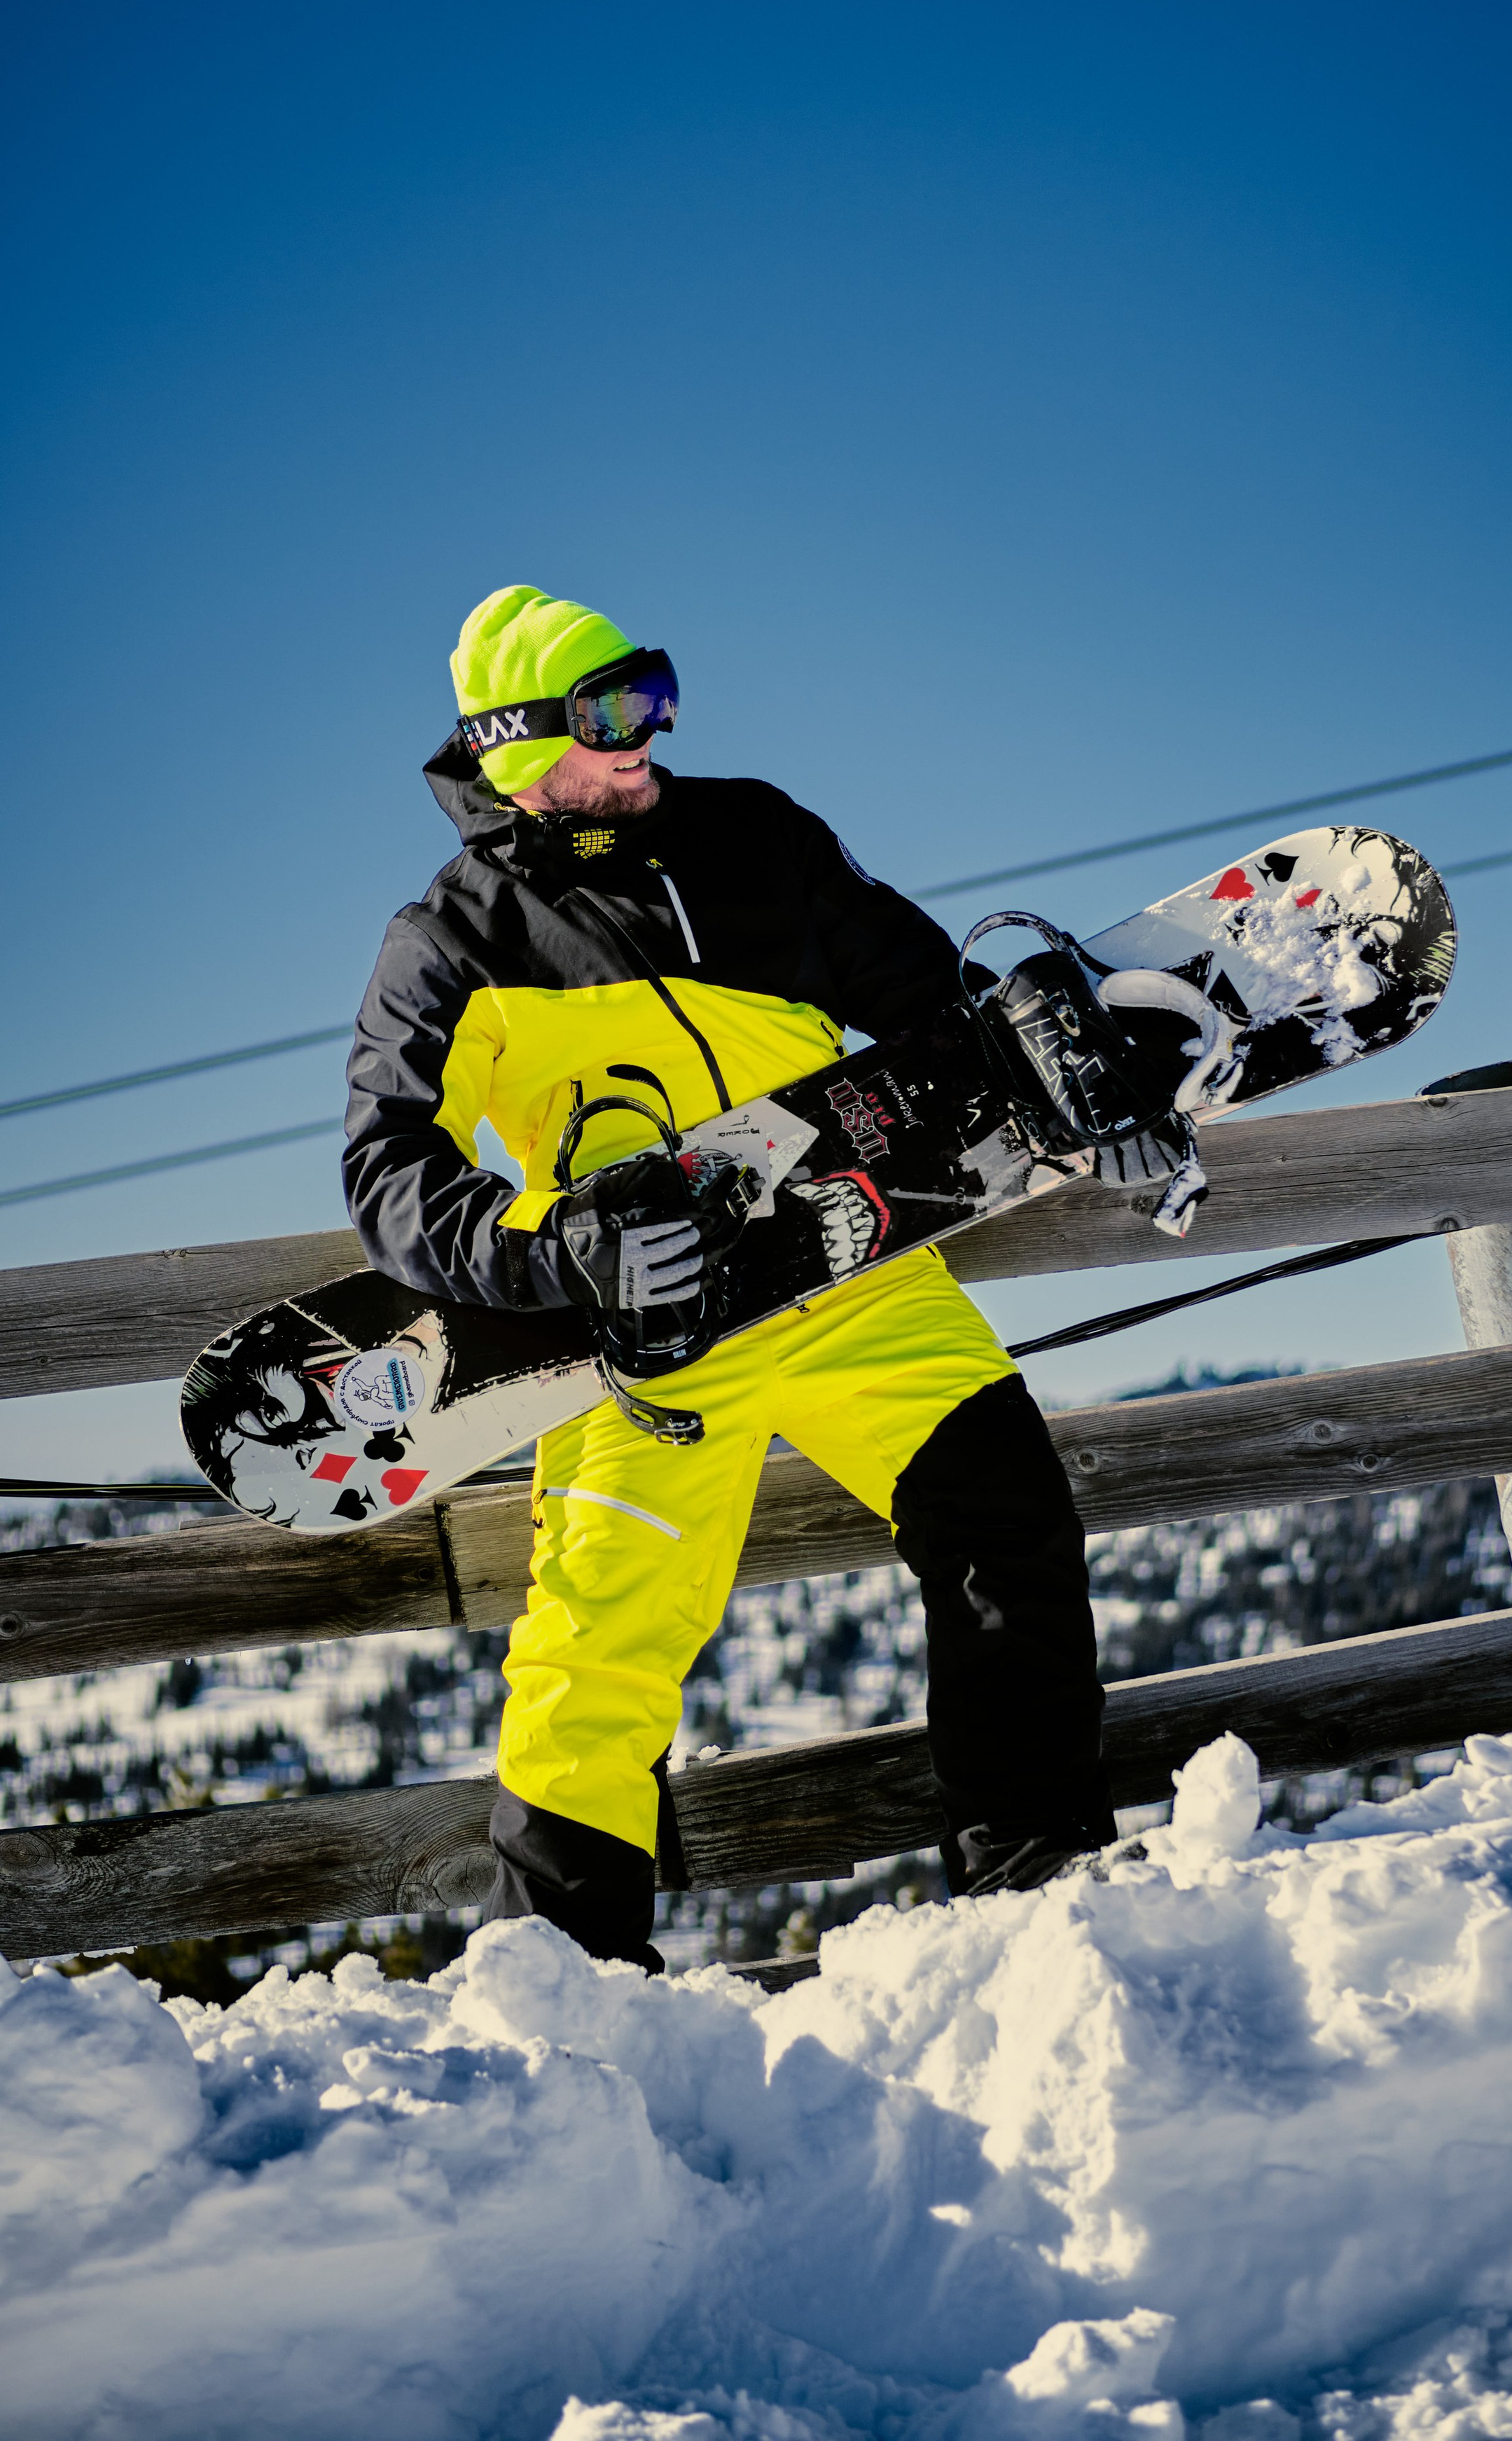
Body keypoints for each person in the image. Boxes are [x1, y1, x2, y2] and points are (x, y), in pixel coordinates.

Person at [344, 585, 1114, 1970]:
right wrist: (549, 1253)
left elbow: (920, 995)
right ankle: (568, 1981)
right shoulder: (452, 939)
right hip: (654, 1333)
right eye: (607, 712)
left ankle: (1038, 1868)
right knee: (600, 1647)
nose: (645, 736)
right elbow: (387, 1166)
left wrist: (1025, 1039)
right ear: (517, 744)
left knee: (1007, 1519)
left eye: (653, 695)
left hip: (850, 1268)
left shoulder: (757, 835)